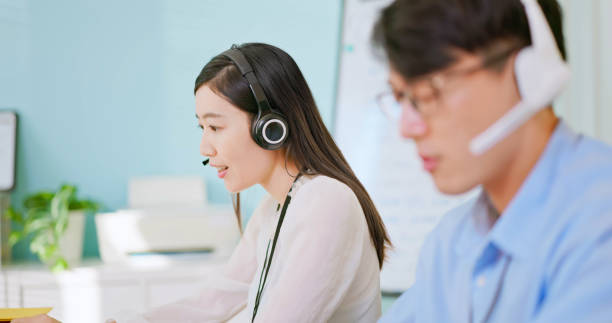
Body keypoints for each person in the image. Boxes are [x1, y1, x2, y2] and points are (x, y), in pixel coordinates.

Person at [372, 0, 612, 322]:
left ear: (532, 74)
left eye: (428, 93)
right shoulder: (452, 240)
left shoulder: (599, 225)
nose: (407, 128)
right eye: (402, 98)